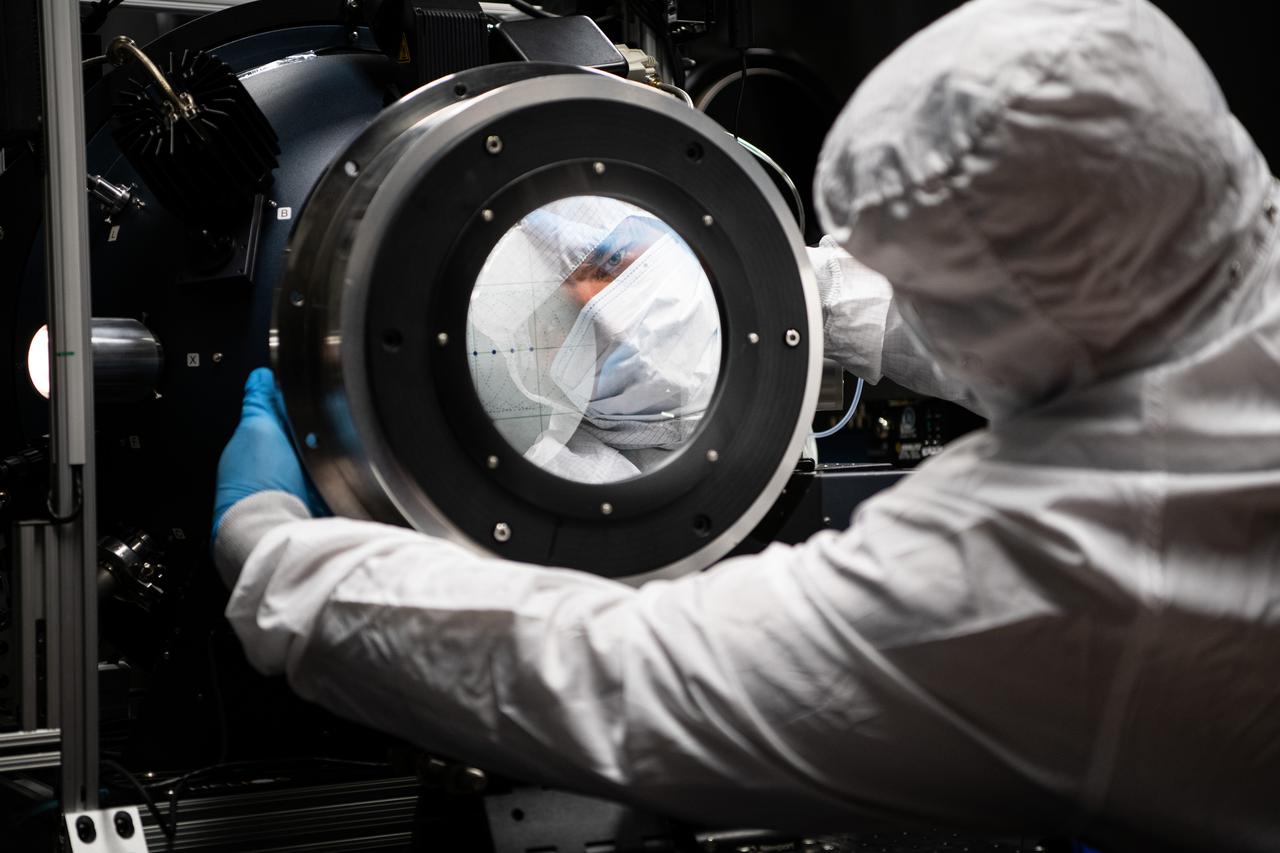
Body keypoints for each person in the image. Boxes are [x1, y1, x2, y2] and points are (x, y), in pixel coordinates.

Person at [210, 0, 1280, 849]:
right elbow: (1071, 315)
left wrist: (278, 558)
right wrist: (772, 295)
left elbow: (623, 676)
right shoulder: (1206, 253)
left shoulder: (1063, 561)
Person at [467, 196, 722, 483]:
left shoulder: (779, 296)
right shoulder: (561, 488)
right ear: (535, 366)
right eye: (558, 315)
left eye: (612, 260)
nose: (610, 322)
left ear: (671, 237)